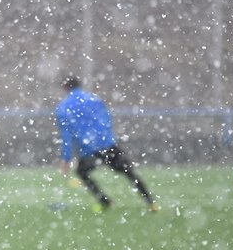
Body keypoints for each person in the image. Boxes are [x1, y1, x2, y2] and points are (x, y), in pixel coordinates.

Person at [55, 76, 158, 212]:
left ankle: (104, 201)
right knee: (129, 173)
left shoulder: (63, 108)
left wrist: (66, 159)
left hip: (88, 149)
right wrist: (107, 138)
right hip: (107, 144)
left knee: (82, 172)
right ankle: (150, 202)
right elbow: (107, 120)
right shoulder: (94, 99)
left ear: (65, 88)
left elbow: (66, 136)